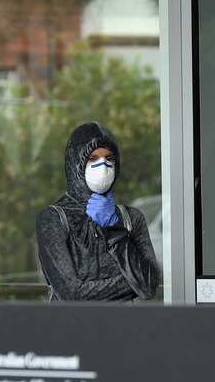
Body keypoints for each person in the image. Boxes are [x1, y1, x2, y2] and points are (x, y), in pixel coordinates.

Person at [37, 121, 160, 302]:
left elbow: (149, 286)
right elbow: (72, 294)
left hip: (122, 328)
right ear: (75, 163)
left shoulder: (131, 218)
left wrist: (114, 229)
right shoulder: (53, 219)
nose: (102, 166)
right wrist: (132, 282)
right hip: (72, 329)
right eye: (93, 158)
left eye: (109, 158)